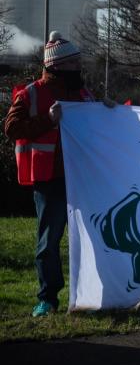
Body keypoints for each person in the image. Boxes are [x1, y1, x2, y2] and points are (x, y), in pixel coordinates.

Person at [4, 31, 112, 317]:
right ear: (58, 66)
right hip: (49, 181)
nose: (79, 67)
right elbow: (11, 128)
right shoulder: (31, 93)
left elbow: (98, 125)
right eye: (74, 63)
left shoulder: (83, 94)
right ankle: (47, 299)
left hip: (82, 179)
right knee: (48, 243)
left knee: (95, 239)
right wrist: (47, 120)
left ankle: (97, 294)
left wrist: (109, 111)